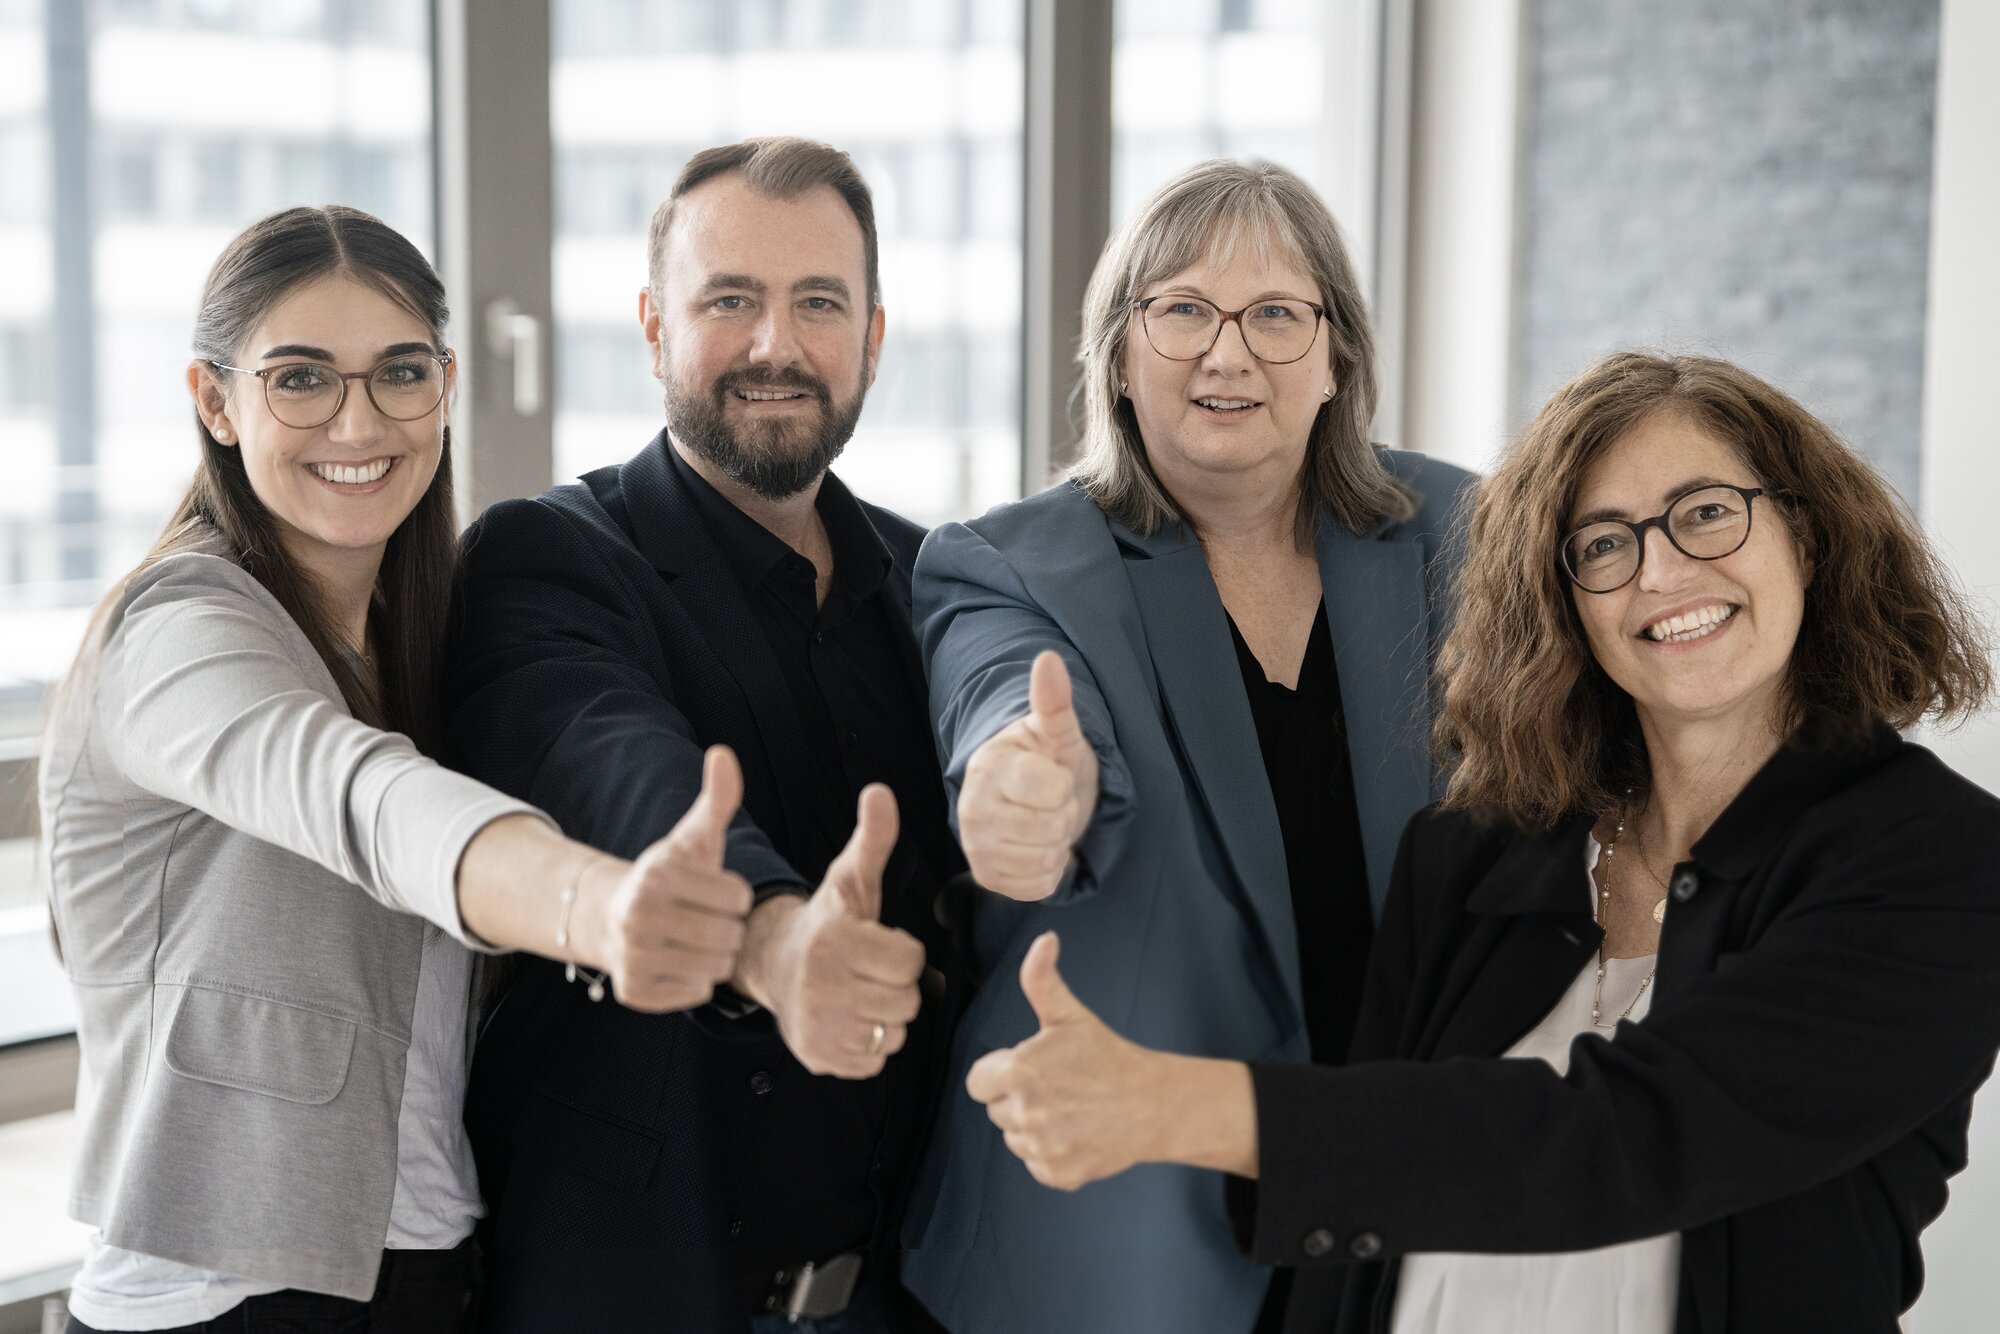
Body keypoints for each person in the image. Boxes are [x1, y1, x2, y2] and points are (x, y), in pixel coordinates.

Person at [964, 351, 2000, 1333]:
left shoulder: (1939, 859)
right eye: (1602, 542)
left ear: (1805, 540)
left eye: (1704, 514)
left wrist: (1169, 1103)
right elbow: (1348, 1265)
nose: (1661, 571)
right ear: (1563, 604)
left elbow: (1614, 1133)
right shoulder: (1468, 852)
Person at [42, 205, 768, 1334]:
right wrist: (598, 902)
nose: (357, 418)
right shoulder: (176, 628)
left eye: (398, 372)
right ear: (213, 400)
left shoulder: (417, 635)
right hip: (220, 1295)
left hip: (428, 1262)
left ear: (447, 382)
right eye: (299, 378)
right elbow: (357, 795)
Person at [900, 159, 1475, 1334]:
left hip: (1398, 1204)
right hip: (1112, 1241)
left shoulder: (1465, 537)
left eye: (1275, 314)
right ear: (1117, 353)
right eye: (1180, 311)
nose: (1228, 354)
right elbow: (1006, 704)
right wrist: (1021, 791)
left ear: (1335, 357)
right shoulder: (1010, 562)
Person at [441, 137, 965, 1334]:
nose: (775, 346)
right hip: (636, 1298)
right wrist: (775, 941)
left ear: (872, 337)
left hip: (903, 1294)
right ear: (651, 323)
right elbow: (610, 761)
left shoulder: (932, 578)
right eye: (729, 300)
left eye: (817, 303)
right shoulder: (549, 553)